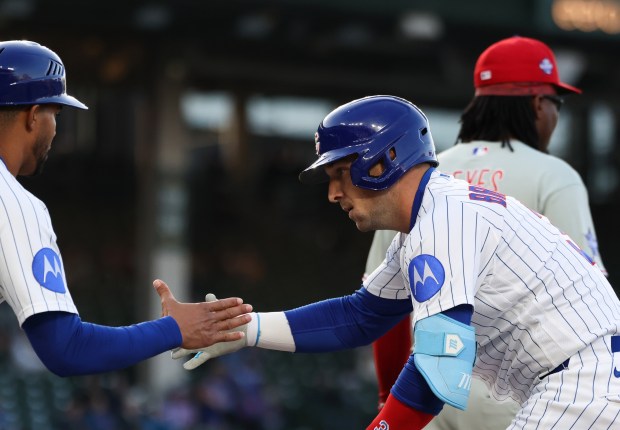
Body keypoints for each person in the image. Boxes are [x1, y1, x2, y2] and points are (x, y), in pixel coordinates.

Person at [173, 95, 620, 429]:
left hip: (585, 382)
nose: (332, 194)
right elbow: (360, 317)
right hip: (580, 380)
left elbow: (438, 370)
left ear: (385, 159)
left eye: (339, 173)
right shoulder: (430, 218)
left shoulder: (442, 219)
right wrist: (246, 329)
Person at [367, 35, 608, 429]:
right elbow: (587, 311)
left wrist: (387, 402)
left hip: (429, 396)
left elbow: (384, 310)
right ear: (537, 105)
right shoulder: (555, 177)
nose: (554, 115)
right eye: (555, 104)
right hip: (525, 398)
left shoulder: (414, 180)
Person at [0, 40, 253, 377]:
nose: (55, 128)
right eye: (55, 114)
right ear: (34, 116)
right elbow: (67, 349)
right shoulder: (14, 202)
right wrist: (174, 329)